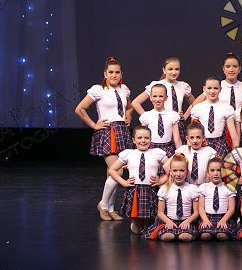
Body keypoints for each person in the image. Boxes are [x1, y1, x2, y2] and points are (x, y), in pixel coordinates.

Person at [74, 56, 133, 221]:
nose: (114, 75)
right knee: (117, 171)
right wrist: (94, 124)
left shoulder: (124, 89)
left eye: (117, 72)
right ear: (105, 74)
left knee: (111, 173)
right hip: (108, 132)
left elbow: (129, 108)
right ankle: (104, 205)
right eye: (111, 72)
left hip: (122, 131)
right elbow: (80, 109)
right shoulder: (98, 90)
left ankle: (111, 208)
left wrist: (128, 116)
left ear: (121, 74)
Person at [108, 126, 168, 234]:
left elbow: (171, 170)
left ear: (151, 139)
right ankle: (136, 222)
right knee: (137, 228)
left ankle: (149, 223)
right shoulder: (129, 153)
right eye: (139, 138)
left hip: (151, 190)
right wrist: (123, 182)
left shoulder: (157, 153)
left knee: (149, 224)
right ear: (133, 140)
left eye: (146, 138)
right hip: (135, 189)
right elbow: (112, 170)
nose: (143, 140)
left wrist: (160, 181)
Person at [130, 56, 194, 142]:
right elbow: (135, 103)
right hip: (161, 124)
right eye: (170, 69)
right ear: (164, 70)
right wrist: (149, 117)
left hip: (177, 125)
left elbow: (195, 104)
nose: (174, 72)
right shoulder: (156, 85)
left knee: (178, 147)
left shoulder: (183, 86)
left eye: (177, 69)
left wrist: (185, 116)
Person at [142, 154, 199, 242]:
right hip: (170, 220)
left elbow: (196, 212)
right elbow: (160, 212)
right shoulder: (165, 189)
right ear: (170, 172)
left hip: (186, 221)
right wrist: (168, 222)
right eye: (175, 171)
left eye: (182, 170)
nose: (178, 174)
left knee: (185, 237)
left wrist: (187, 221)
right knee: (167, 237)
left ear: (187, 172)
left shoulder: (192, 189)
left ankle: (186, 233)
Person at [183, 76, 238, 157]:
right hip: (202, 145)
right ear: (204, 89)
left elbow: (233, 134)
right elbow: (192, 132)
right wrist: (189, 153)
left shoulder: (226, 108)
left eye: (215, 88)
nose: (212, 91)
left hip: (220, 145)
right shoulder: (197, 108)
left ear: (220, 89)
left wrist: (235, 155)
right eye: (209, 88)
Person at [197, 157, 236, 241]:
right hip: (208, 217)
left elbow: (231, 208)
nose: (216, 173)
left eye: (219, 170)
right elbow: (200, 207)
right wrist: (205, 220)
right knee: (205, 236)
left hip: (223, 217)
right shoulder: (204, 187)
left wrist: (223, 220)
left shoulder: (229, 188)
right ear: (207, 173)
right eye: (212, 170)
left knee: (222, 236)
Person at [169, 121, 218, 185]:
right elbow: (168, 167)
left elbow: (216, 170)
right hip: (186, 187)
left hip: (204, 187)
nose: (195, 141)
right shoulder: (183, 150)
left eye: (198, 137)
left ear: (203, 138)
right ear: (187, 138)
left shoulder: (209, 152)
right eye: (192, 137)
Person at [138, 83, 181, 156]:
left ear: (166, 98)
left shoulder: (172, 115)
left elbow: (177, 140)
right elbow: (143, 137)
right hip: (151, 150)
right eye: (154, 96)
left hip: (168, 149)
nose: (157, 99)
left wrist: (180, 155)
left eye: (161, 96)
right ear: (150, 98)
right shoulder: (146, 116)